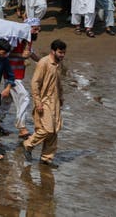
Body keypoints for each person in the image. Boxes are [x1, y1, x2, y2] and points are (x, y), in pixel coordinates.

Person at [23, 40, 67, 168]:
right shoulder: (44, 63)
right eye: (60, 52)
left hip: (55, 102)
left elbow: (58, 83)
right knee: (46, 129)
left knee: (54, 131)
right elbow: (35, 83)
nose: (62, 55)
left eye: (64, 53)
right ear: (53, 51)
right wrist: (38, 102)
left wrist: (61, 98)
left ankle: (46, 158)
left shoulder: (58, 64)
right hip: (44, 101)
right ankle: (28, 144)